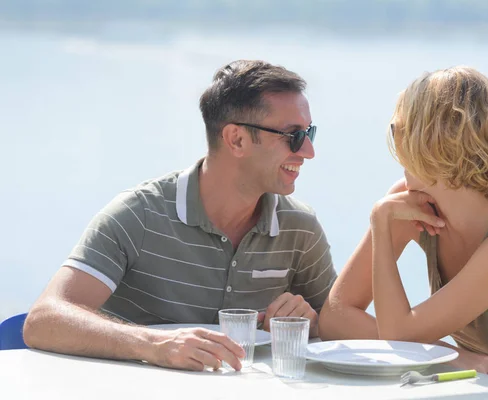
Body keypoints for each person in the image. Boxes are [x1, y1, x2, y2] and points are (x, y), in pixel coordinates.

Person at [24, 60, 336, 372]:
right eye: (293, 136)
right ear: (237, 140)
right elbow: (43, 320)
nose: (308, 151)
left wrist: (313, 323)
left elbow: (343, 328)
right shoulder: (139, 215)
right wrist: (154, 345)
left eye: (310, 133)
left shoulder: (300, 229)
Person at [318, 66, 488, 394]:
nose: (395, 134)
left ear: (431, 141)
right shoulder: (407, 204)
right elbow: (334, 317)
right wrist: (453, 356)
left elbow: (398, 336)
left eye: (403, 126)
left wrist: (380, 221)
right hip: (468, 389)